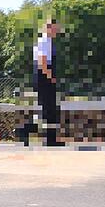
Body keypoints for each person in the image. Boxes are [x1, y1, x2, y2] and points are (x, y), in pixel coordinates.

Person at [33, 18, 62, 146]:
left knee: (52, 108)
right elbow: (42, 61)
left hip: (46, 77)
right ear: (49, 27)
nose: (57, 30)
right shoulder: (44, 41)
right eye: (55, 28)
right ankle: (50, 140)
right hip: (44, 78)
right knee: (48, 107)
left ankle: (52, 137)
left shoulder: (49, 41)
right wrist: (51, 77)